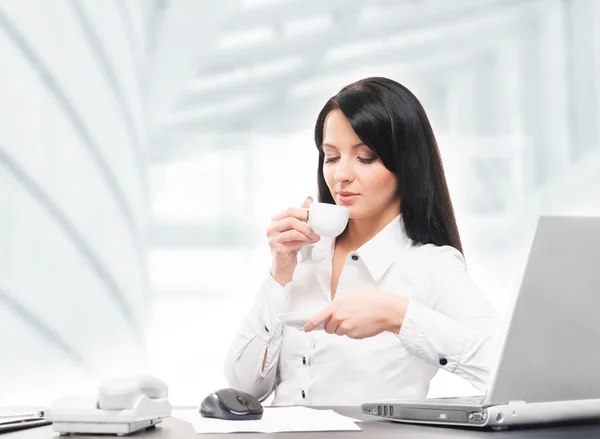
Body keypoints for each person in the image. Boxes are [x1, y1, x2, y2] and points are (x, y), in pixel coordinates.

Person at [224, 77, 501, 406]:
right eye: (331, 157)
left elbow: (504, 365)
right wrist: (279, 272)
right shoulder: (306, 255)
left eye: (365, 157)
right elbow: (243, 390)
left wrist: (397, 315)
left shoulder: (430, 266)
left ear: (406, 164)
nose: (341, 175)